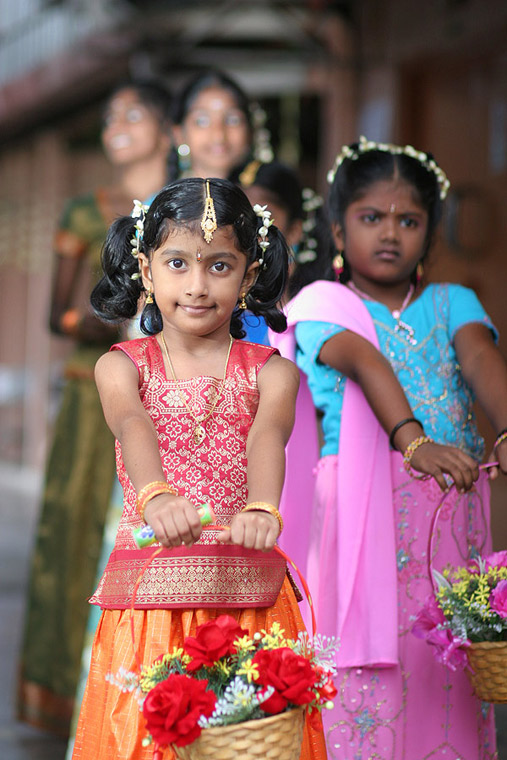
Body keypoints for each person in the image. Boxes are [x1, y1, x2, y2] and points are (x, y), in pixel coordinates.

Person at [71, 177, 326, 760]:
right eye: (177, 262)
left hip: (247, 593)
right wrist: (156, 496)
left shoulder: (272, 373)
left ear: (249, 274)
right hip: (150, 602)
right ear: (145, 268)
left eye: (219, 265)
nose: (196, 285)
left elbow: (269, 435)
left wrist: (263, 507)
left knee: (256, 742)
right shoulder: (122, 366)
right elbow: (132, 424)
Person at [270, 136, 507, 759]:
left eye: (409, 220)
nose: (390, 233)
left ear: (430, 234)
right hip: (357, 520)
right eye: (372, 217)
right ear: (339, 230)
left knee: (446, 666)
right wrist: (413, 441)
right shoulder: (324, 305)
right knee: (359, 677)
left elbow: (482, 360)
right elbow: (366, 361)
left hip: (449, 520)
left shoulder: (454, 303)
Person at [17, 79, 172, 737]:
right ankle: (65, 693)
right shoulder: (85, 211)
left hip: (172, 390)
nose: (116, 126)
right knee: (76, 531)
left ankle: (158, 699)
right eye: (111, 117)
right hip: (93, 391)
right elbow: (59, 314)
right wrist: (116, 320)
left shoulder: (186, 204)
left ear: (168, 127)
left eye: (133, 114)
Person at [238, 159, 334, 344]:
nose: (247, 229)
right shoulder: (215, 306)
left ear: (294, 231)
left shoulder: (318, 307)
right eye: (238, 218)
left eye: (261, 219)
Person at [169, 68, 270, 182]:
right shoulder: (167, 199)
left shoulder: (266, 197)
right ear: (178, 134)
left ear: (250, 130)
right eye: (202, 121)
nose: (219, 134)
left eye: (233, 120)